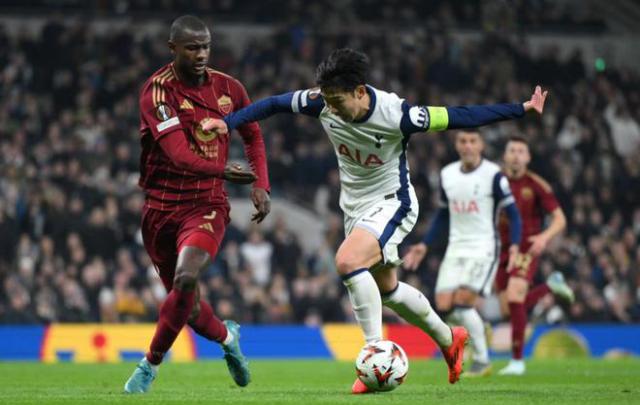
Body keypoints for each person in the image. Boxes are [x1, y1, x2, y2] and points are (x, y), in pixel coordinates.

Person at [205, 48, 547, 393]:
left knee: (347, 261)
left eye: (337, 101)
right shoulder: (320, 101)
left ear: (359, 91)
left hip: (393, 202)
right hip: (354, 208)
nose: (330, 108)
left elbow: (462, 116)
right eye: (326, 100)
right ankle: (450, 339)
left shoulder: (398, 115)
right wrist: (228, 122)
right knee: (387, 290)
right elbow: (273, 104)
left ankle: (375, 356)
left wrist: (521, 108)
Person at [124, 15, 271, 394]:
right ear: (173, 49)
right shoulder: (157, 92)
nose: (201, 54)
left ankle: (149, 365)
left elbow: (253, 135)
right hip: (160, 208)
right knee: (187, 308)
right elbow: (177, 155)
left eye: (205, 46)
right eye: (192, 48)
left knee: (186, 278)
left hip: (206, 204)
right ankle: (228, 338)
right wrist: (224, 170)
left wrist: (261, 184)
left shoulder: (229, 88)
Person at [403, 130, 523, 377]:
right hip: (456, 246)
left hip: (483, 247)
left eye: (472, 141)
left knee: (463, 302)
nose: (467, 146)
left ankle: (481, 361)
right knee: (444, 305)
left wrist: (514, 245)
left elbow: (513, 213)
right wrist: (425, 244)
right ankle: (478, 328)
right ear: (457, 145)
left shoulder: (493, 175)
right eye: (463, 141)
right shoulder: (448, 175)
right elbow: (443, 214)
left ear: (481, 145)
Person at [495, 135, 574, 376]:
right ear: (505, 155)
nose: (516, 155)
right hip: (499, 249)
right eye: (512, 150)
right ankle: (550, 286)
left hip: (526, 246)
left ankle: (517, 361)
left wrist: (543, 238)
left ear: (528, 157)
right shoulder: (495, 181)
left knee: (515, 297)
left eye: (521, 151)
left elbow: (560, 219)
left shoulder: (537, 185)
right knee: (508, 309)